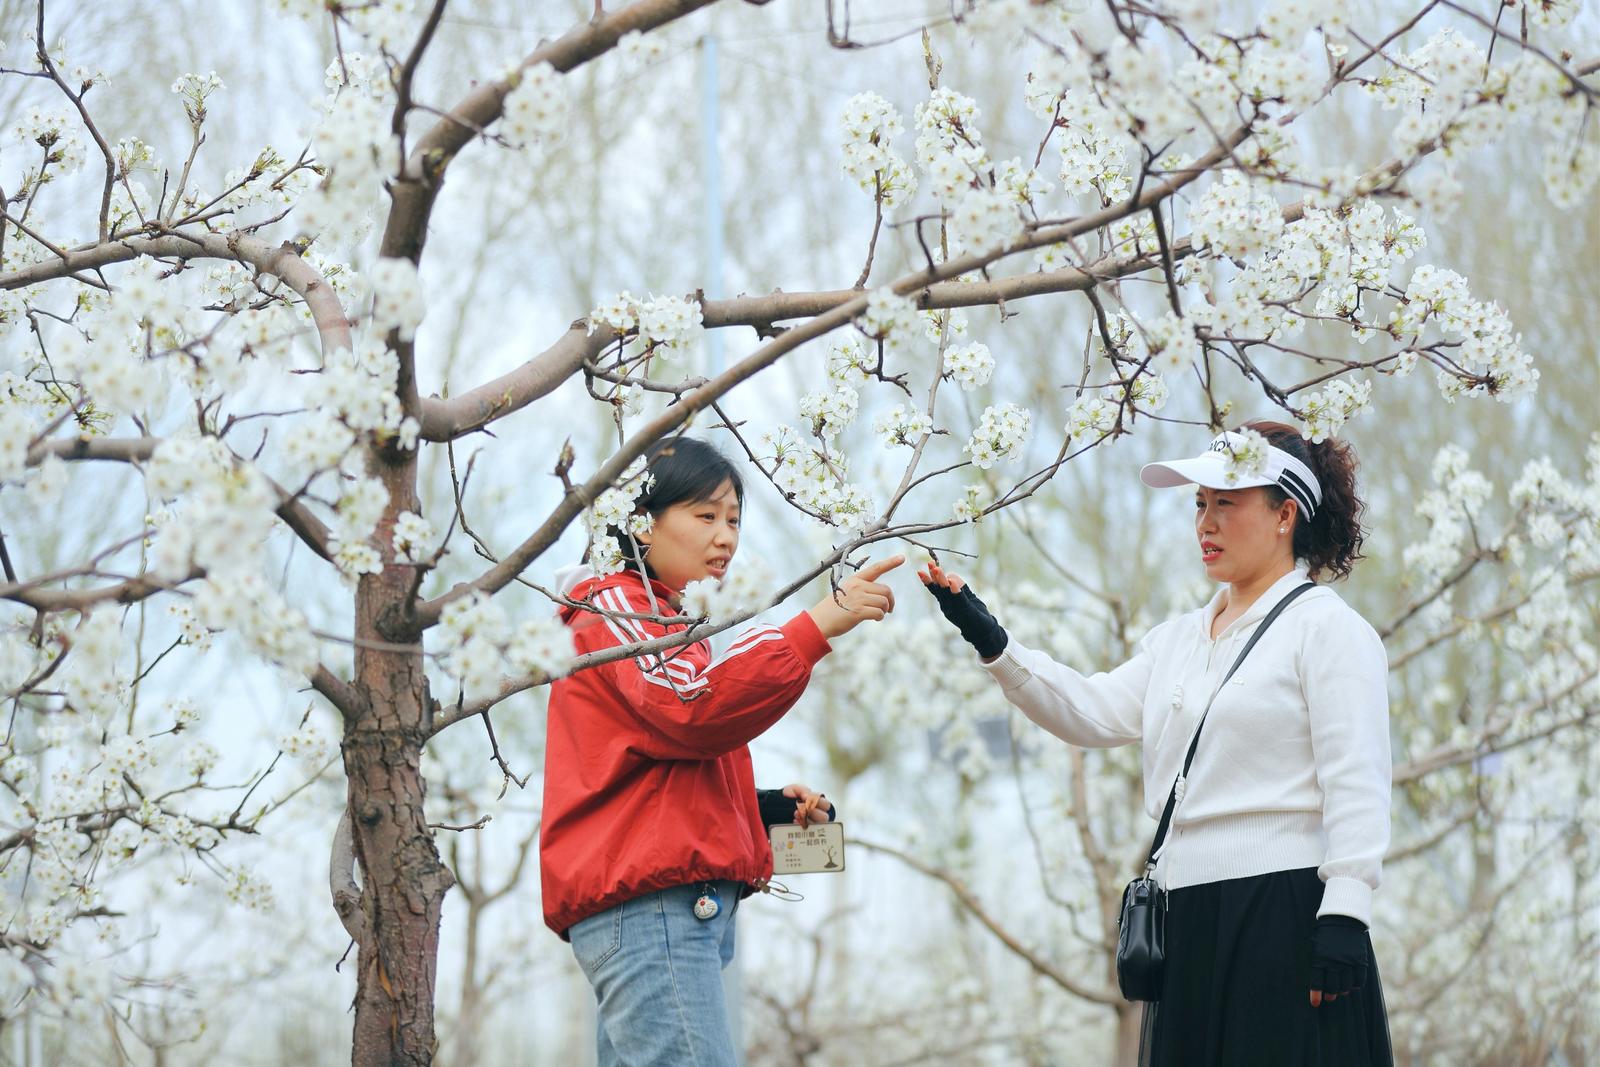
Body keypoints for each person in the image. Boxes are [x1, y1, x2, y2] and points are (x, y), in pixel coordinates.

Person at [921, 421, 1393, 1067]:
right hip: (1185, 913)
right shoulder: (1178, 639)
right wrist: (991, 639)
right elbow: (1089, 712)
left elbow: (1357, 781)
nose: (1206, 522)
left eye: (1226, 503)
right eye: (1200, 503)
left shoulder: (1330, 629)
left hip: (1282, 911)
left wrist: (1346, 910)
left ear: (1285, 514)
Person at [541, 435, 902, 1067]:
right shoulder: (614, 603)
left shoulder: (663, 618)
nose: (725, 538)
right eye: (705, 515)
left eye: (733, 520)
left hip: (658, 903)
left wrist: (759, 808)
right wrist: (813, 628)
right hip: (653, 910)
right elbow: (691, 710)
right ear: (641, 523)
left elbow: (652, 764)